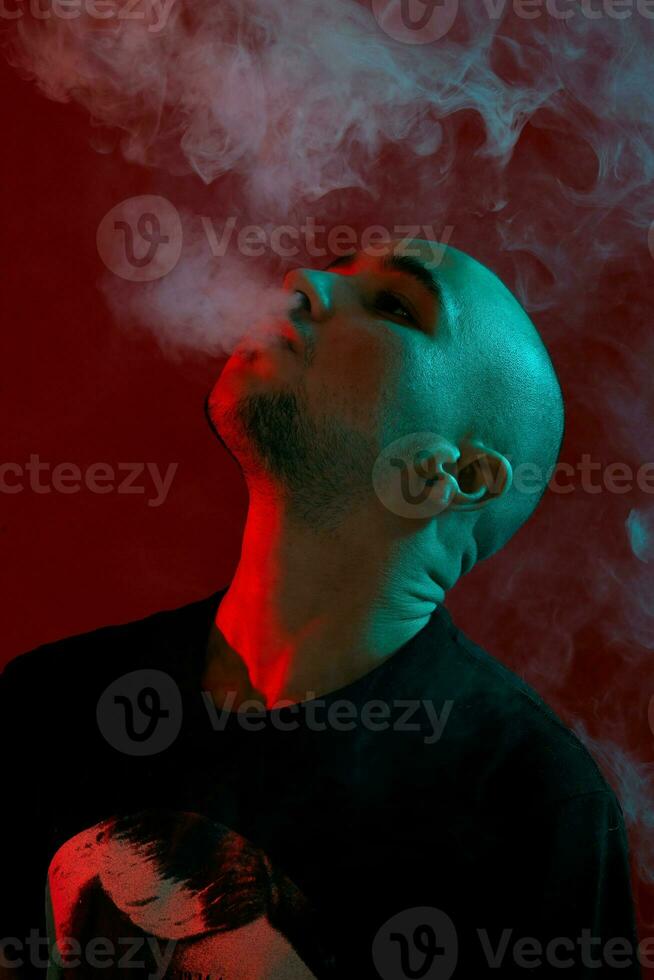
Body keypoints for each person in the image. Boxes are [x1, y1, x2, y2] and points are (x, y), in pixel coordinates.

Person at [1, 240, 642, 979]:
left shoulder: (531, 805)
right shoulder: (50, 702)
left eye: (396, 305)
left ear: (458, 475)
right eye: (331, 268)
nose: (300, 283)